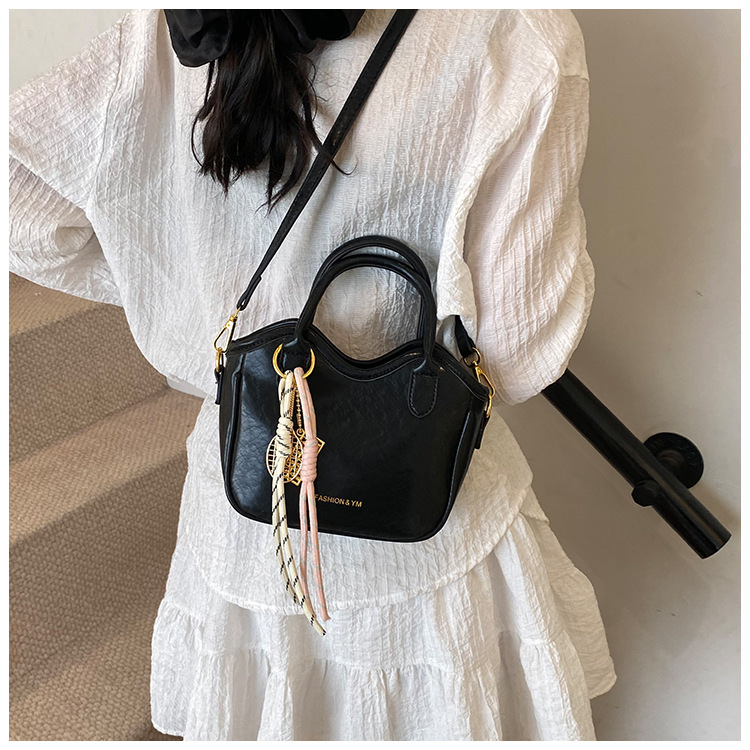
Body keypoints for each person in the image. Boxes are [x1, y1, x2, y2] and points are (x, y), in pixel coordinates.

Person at [9, 9, 617, 741]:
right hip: (422, 541)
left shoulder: (163, 31)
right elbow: (517, 346)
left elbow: (20, 206)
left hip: (243, 508)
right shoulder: (510, 30)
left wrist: (181, 296)